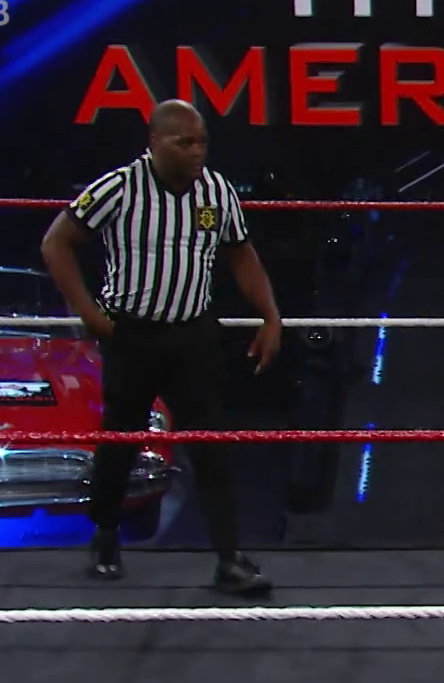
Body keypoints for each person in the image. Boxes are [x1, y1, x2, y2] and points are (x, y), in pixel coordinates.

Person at [40, 99, 281, 595]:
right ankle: (106, 536)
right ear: (154, 142)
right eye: (184, 141)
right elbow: (56, 242)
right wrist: (90, 315)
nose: (196, 151)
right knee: (121, 442)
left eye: (202, 142)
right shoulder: (119, 187)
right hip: (132, 335)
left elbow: (241, 254)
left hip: (193, 335)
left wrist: (270, 316)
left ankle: (229, 559)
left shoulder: (216, 190)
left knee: (210, 446)